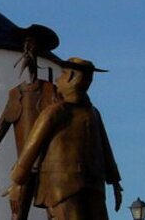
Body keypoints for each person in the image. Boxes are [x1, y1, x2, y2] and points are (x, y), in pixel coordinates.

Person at [0, 24, 61, 220]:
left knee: (55, 212)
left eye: (32, 45)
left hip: (48, 165)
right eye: (25, 44)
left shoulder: (52, 92)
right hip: (23, 168)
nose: (28, 49)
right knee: (17, 214)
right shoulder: (16, 95)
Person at [10, 57, 122, 220]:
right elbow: (106, 149)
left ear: (70, 77)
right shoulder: (86, 113)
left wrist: (17, 183)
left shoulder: (60, 112)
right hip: (78, 186)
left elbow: (30, 151)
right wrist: (114, 182)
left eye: (62, 74)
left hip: (72, 186)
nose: (57, 79)